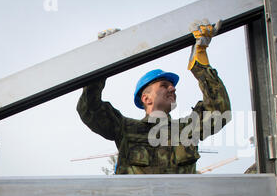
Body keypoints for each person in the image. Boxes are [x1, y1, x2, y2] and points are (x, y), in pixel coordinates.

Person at [77, 20, 231, 174]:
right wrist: (102, 58)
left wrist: (200, 63)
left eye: (171, 85)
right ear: (146, 99)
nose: (172, 88)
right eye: (164, 85)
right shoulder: (125, 129)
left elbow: (219, 111)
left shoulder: (186, 130)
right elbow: (89, 109)